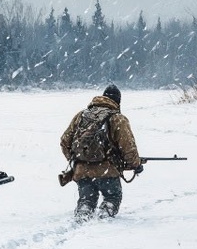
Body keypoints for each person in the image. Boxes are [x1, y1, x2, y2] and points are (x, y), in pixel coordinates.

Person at [59, 84, 142, 220]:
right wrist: (135, 164)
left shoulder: (81, 116)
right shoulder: (117, 119)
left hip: (82, 172)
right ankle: (106, 215)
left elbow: (65, 142)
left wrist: (77, 160)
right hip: (107, 171)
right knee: (112, 196)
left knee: (86, 200)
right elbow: (128, 147)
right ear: (118, 102)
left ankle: (83, 212)